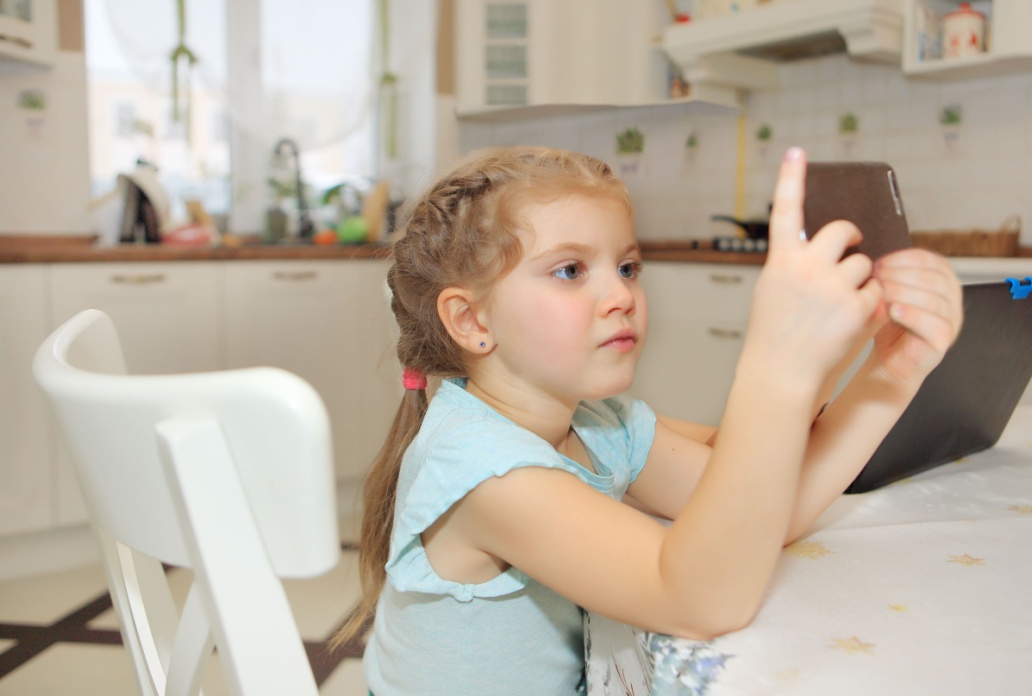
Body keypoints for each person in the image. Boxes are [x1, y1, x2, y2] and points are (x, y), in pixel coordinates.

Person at [332, 145, 963, 694]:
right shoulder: (483, 472)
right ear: (472, 321)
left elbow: (766, 507)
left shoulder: (600, 426)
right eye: (571, 270)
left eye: (627, 267)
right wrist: (776, 365)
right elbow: (696, 599)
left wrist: (887, 374)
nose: (621, 296)